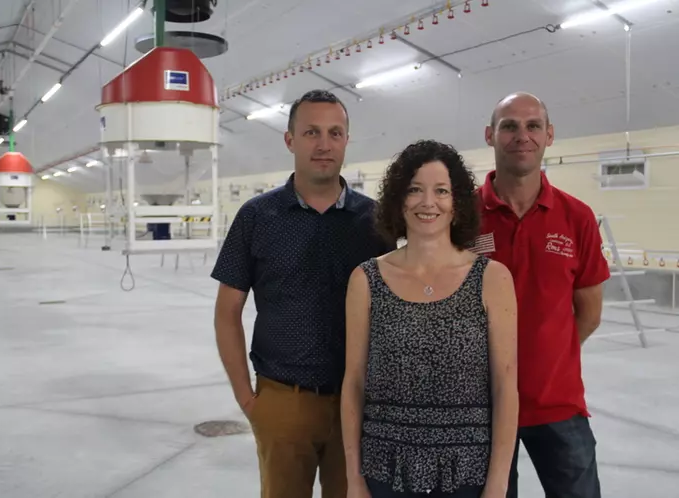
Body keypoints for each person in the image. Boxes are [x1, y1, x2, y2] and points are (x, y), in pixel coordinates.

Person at [211, 89, 395, 498]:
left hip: (360, 401)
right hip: (284, 400)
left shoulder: (375, 220)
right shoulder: (258, 216)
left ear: (347, 140)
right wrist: (248, 399)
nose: (324, 144)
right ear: (290, 139)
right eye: (311, 132)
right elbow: (227, 312)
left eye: (335, 132)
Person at [341, 139, 519, 498]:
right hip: (386, 469)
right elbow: (354, 384)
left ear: (457, 203)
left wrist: (498, 484)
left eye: (441, 191)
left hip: (467, 472)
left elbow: (505, 388)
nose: (428, 202)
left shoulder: (492, 278)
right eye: (415, 190)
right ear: (398, 199)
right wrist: (355, 480)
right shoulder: (366, 279)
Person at [477, 92, 611, 498]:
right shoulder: (461, 217)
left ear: (549, 135)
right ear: (490, 135)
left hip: (558, 404)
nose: (523, 135)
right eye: (510, 126)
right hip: (479, 406)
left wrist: (547, 355)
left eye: (533, 125)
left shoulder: (577, 217)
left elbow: (588, 312)